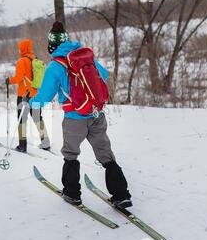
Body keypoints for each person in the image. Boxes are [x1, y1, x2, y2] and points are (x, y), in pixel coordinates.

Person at [29, 21, 132, 208]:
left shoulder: (55, 66)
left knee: (70, 153)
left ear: (52, 46)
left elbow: (45, 95)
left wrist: (32, 102)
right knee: (105, 153)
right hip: (96, 114)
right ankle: (121, 194)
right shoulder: (84, 55)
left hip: (75, 118)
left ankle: (72, 193)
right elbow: (104, 75)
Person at [6, 39, 51, 153]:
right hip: (35, 95)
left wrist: (9, 81)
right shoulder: (34, 59)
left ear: (22, 48)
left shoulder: (22, 61)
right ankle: (45, 142)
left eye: (20, 48)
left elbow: (19, 78)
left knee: (22, 120)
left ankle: (22, 146)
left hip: (24, 95)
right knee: (37, 118)